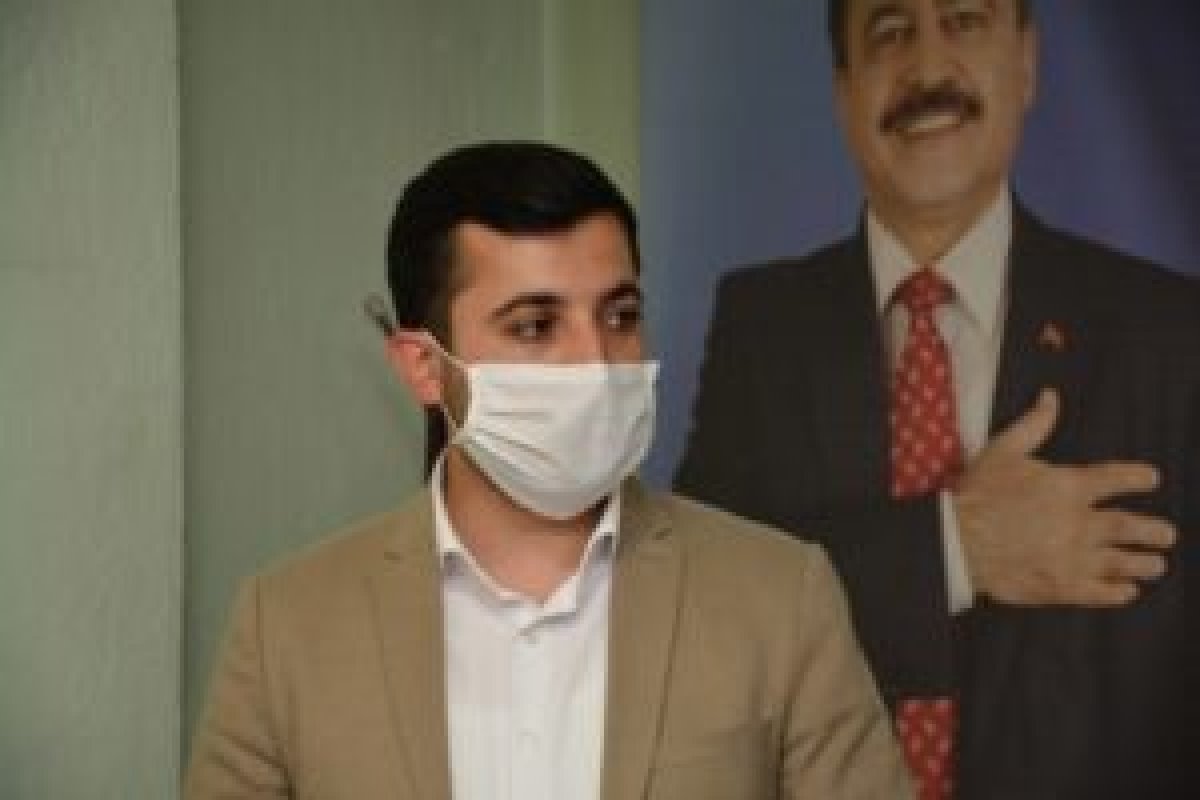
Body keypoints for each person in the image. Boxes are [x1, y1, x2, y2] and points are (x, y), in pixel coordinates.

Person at [184, 141, 912, 799]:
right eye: (535, 326)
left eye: (620, 317)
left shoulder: (781, 600)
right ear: (424, 367)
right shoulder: (286, 627)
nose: (594, 362)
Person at [675, 2, 1200, 798]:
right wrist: (955, 549)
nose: (927, 69)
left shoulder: (1170, 332)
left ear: (1027, 62)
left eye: (964, 22)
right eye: (890, 34)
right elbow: (708, 618)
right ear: (844, 92)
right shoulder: (763, 325)